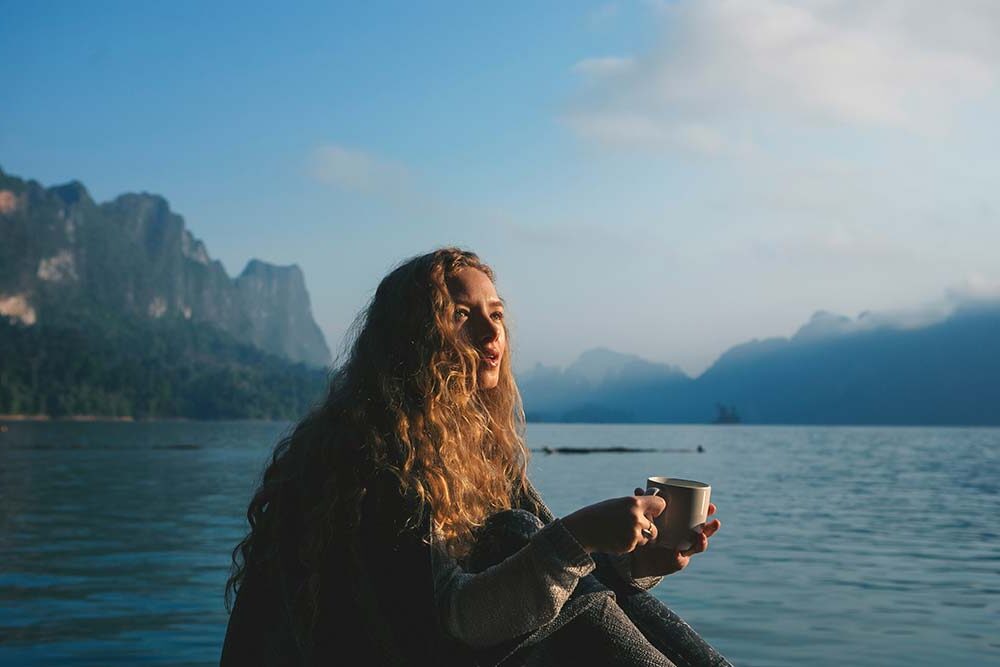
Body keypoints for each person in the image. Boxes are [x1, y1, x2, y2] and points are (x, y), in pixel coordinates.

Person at [220, 247, 729, 666]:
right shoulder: (368, 462)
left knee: (536, 542)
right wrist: (579, 537)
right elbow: (449, 620)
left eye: (497, 314)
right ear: (414, 340)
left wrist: (636, 561)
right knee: (518, 534)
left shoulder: (483, 449)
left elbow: (567, 581)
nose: (492, 336)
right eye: (462, 317)